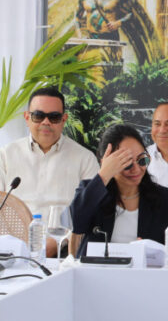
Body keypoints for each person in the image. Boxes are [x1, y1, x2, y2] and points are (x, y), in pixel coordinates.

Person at [0, 87, 99, 255]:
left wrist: (58, 243)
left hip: (66, 251)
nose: (46, 122)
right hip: (13, 252)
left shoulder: (85, 159)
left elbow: (91, 211)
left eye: (54, 117)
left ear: (64, 119)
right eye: (38, 116)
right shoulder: (5, 156)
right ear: (27, 117)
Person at [70, 124, 168, 252]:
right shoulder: (93, 192)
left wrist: (152, 251)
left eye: (142, 160)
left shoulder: (167, 200)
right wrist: (104, 174)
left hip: (145, 266)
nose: (136, 169)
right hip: (97, 265)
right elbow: (75, 224)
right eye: (127, 163)